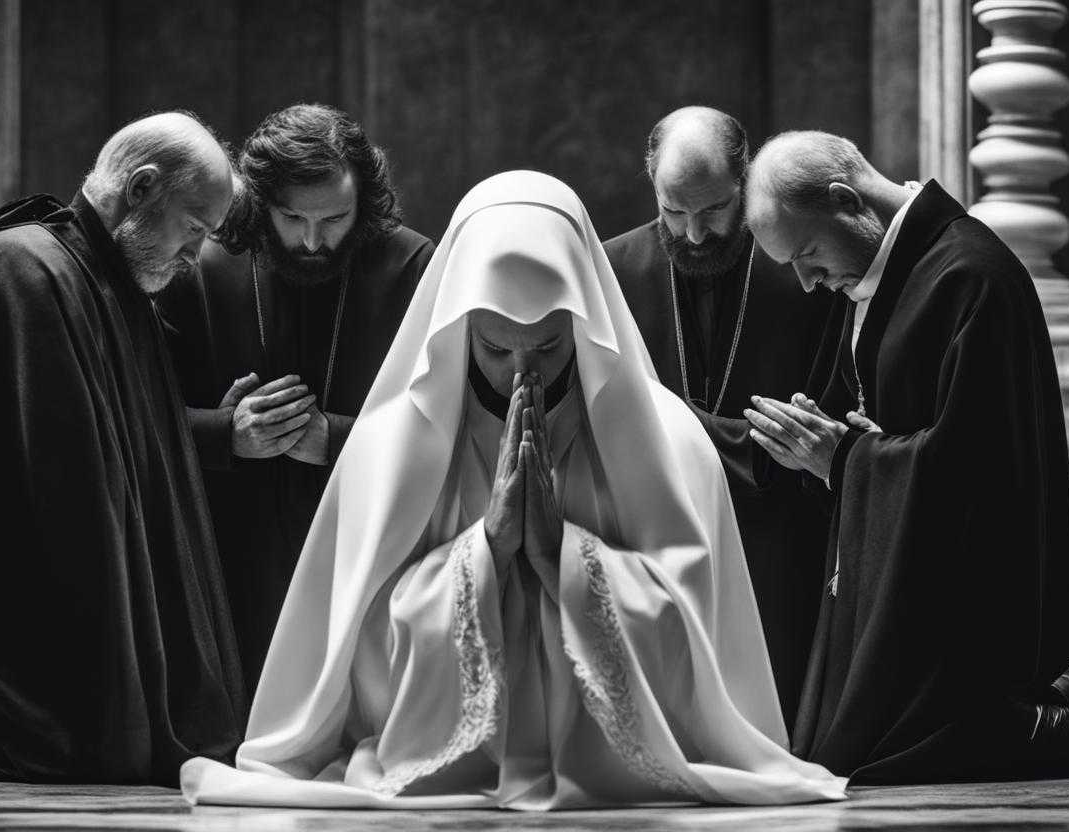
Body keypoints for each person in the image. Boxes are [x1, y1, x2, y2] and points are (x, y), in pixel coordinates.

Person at [179, 170, 847, 809]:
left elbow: (700, 658)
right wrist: (486, 554)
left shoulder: (670, 444)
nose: (521, 373)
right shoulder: (385, 450)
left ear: (585, 326)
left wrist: (567, 555)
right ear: (457, 325)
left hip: (620, 788)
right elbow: (358, 666)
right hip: (435, 775)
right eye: (496, 349)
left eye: (550, 347)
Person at [0, 112, 246, 784]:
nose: (197, 255)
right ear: (140, 188)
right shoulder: (23, 268)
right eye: (194, 229)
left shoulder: (110, 283)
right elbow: (57, 485)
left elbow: (137, 450)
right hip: (37, 683)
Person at [743, 130, 1069, 783]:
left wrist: (845, 456)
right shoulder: (908, 271)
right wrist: (848, 449)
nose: (807, 281)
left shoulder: (968, 274)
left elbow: (978, 468)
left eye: (808, 253)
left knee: (883, 757)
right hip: (921, 602)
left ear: (848, 200)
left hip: (972, 627)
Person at [155, 104, 434, 695]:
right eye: (291, 219)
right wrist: (224, 434)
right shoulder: (201, 265)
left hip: (366, 542)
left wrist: (332, 438)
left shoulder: (411, 266)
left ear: (364, 202)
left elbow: (443, 420)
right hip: (233, 549)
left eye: (335, 219)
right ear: (259, 204)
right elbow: (140, 416)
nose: (312, 241)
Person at [603, 107, 831, 728]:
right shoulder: (609, 269)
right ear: (652, 187)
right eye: (674, 212)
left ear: (745, 179)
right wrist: (744, 442)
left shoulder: (799, 263)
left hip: (777, 543)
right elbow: (605, 416)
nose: (695, 234)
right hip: (654, 536)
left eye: (714, 210)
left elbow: (815, 423)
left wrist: (662, 416)